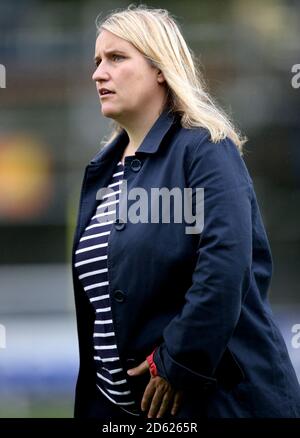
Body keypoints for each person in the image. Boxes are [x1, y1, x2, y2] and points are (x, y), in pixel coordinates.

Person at [71, 5, 300, 419]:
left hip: (220, 405)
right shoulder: (102, 170)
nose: (98, 73)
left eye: (117, 58)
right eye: (97, 61)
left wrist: (179, 362)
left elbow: (224, 263)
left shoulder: (205, 148)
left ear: (160, 68)